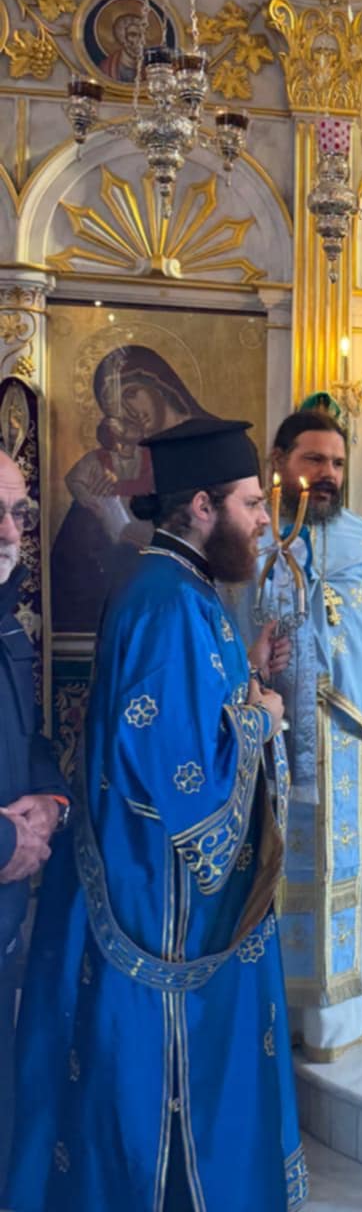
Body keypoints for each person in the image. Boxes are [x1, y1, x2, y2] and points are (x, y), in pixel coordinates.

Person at [5, 418, 307, 1212]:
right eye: (251, 503)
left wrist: (245, 675)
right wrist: (262, 719)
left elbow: (177, 711)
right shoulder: (170, 600)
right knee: (153, 1102)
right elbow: (183, 780)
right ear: (202, 506)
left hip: (139, 882)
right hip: (160, 908)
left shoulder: (176, 583)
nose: (264, 520)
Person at [230, 409, 362, 1062]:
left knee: (336, 876)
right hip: (259, 744)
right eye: (314, 459)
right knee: (265, 872)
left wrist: (325, 649)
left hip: (340, 742)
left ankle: (332, 1027)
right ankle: (267, 1015)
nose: (327, 474)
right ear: (280, 462)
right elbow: (228, 631)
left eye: (337, 463)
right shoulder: (248, 540)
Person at [0, 450, 71, 1191]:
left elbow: (32, 740)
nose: (9, 532)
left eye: (17, 513)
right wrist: (5, 842)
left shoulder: (8, 625)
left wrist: (50, 804)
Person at [52, 345, 213, 633]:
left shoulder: (211, 442)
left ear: (159, 383)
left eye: (130, 394)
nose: (127, 413)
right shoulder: (106, 461)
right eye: (114, 409)